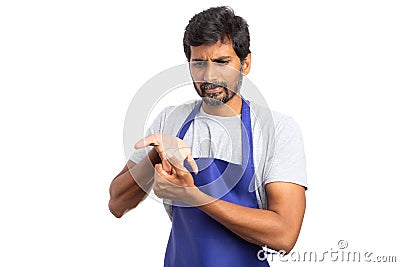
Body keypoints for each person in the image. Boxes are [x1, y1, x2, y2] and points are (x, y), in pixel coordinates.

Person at [108, 6, 307, 266]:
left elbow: (284, 235)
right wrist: (156, 155)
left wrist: (194, 197)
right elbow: (117, 203)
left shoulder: (277, 129)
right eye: (198, 63)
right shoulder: (171, 120)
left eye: (222, 62)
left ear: (245, 64)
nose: (209, 75)